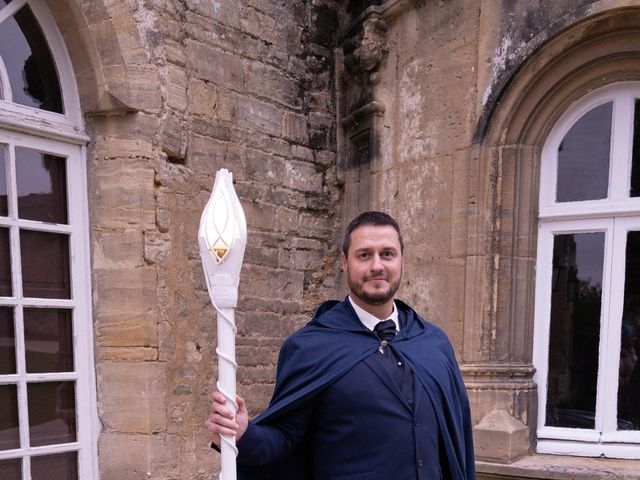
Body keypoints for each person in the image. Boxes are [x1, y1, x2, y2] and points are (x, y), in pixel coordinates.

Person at [204, 211, 475, 479]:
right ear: (345, 262)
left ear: (402, 261)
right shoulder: (310, 347)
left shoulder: (433, 344)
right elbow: (286, 439)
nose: (377, 265)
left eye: (387, 254)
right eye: (364, 254)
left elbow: (456, 438)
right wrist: (243, 434)